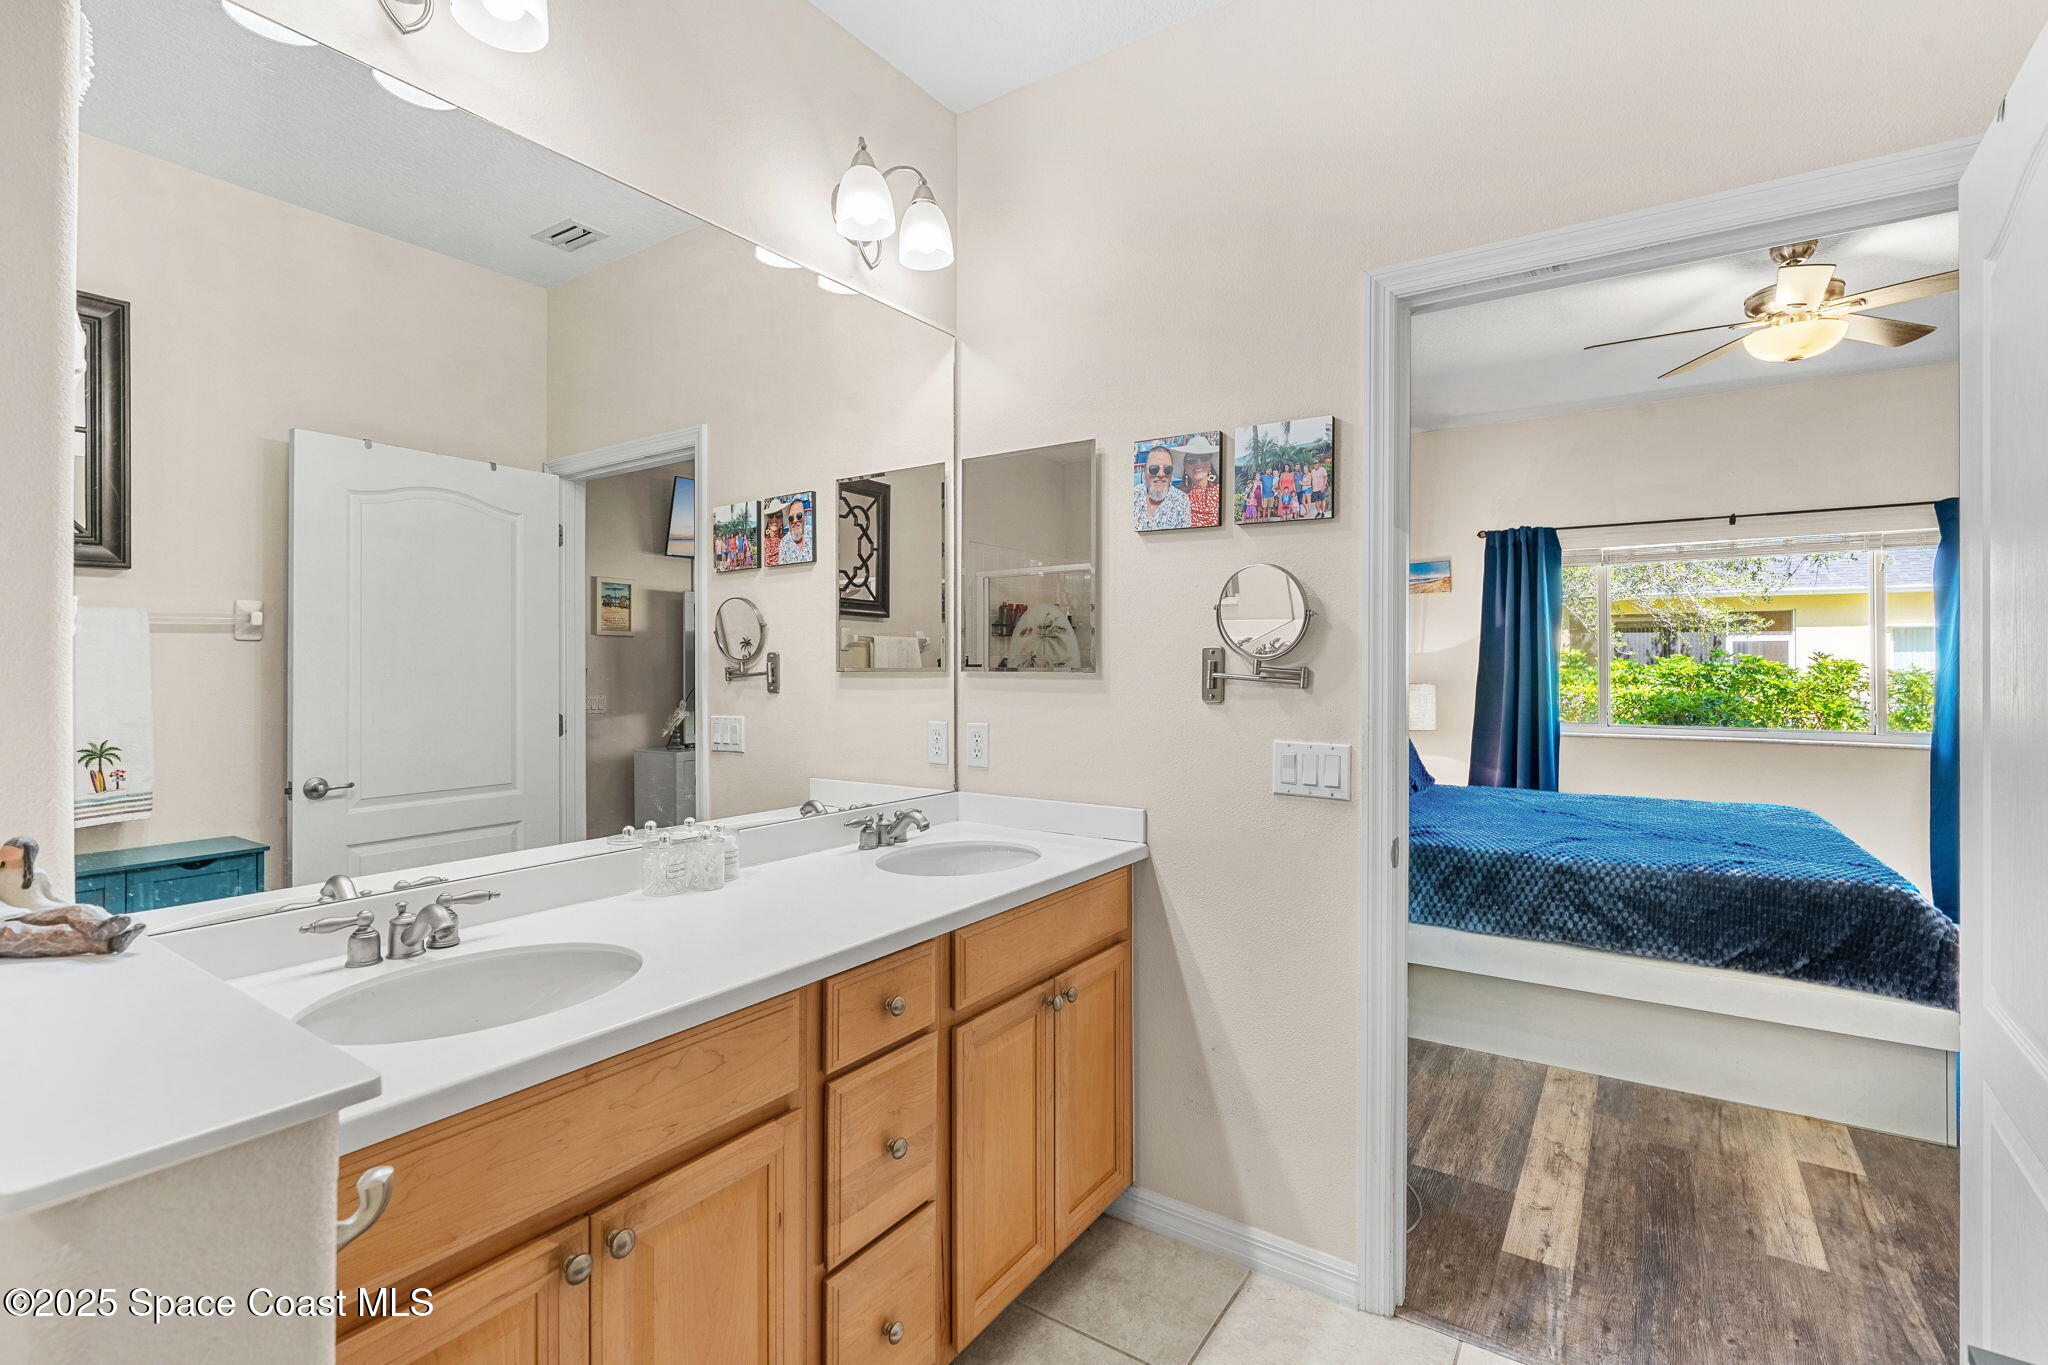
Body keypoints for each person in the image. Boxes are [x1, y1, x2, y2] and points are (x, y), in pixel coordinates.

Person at [1134, 451, 1192, 530]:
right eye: (1154, 468)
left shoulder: (1182, 500)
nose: (1161, 474)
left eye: (1167, 469)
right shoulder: (1133, 495)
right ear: (1145, 472)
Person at [1181, 451, 1220, 527]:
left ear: (1210, 464)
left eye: (1204, 458)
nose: (1198, 463)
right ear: (1185, 467)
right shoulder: (1177, 496)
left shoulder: (1221, 492)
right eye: (1191, 460)